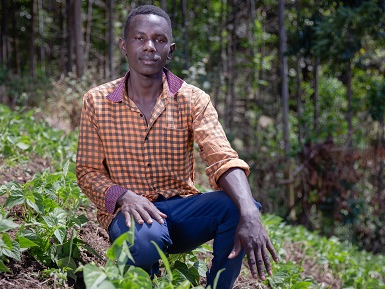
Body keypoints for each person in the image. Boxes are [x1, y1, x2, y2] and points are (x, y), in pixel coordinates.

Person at [75, 5, 278, 288]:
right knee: (146, 241)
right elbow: (87, 170)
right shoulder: (97, 101)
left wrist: (250, 213)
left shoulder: (193, 99)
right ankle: (126, 279)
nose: (149, 47)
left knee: (239, 206)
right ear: (124, 45)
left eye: (159, 40)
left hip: (181, 213)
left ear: (170, 50)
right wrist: (124, 196)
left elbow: (222, 157)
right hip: (129, 215)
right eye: (139, 38)